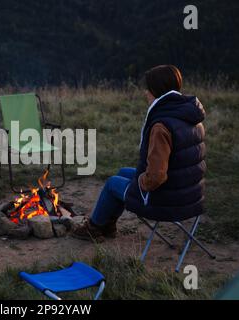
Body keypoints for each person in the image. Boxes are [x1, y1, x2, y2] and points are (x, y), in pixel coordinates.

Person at [73, 65, 206, 242]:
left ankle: (94, 227)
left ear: (156, 91)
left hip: (167, 200)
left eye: (148, 89)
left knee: (112, 183)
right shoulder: (190, 115)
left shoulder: (161, 126)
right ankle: (108, 226)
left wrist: (140, 183)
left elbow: (157, 176)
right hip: (190, 193)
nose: (145, 93)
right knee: (123, 172)